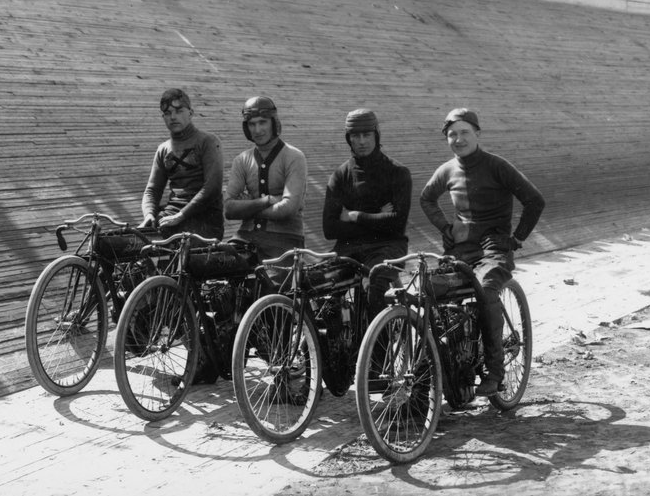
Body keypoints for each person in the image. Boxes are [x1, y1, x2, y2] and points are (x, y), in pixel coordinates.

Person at [420, 107, 545, 396]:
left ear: (478, 133)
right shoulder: (447, 170)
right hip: (459, 251)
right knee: (427, 292)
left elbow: (534, 201)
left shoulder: (497, 166)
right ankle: (442, 373)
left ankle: (495, 372)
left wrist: (517, 238)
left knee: (484, 289)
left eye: (464, 132)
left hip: (494, 249)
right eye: (452, 135)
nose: (458, 139)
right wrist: (445, 227)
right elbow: (427, 198)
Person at [322, 108, 412, 321]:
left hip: (388, 247)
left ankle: (376, 353)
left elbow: (396, 224)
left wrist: (354, 216)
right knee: (319, 284)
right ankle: (327, 348)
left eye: (367, 135)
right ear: (348, 139)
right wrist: (376, 216)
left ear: (376, 135)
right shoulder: (340, 175)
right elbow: (329, 228)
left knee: (373, 282)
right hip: (348, 249)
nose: (361, 141)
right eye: (355, 136)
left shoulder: (398, 172)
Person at [224, 96, 307, 260]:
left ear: (274, 123)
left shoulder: (294, 157)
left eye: (262, 122)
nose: (257, 130)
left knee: (272, 283)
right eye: (252, 124)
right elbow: (229, 209)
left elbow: (288, 209)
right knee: (214, 269)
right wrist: (267, 200)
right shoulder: (241, 160)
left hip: (283, 241)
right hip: (244, 237)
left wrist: (247, 207)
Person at [139, 87, 225, 239]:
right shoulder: (163, 149)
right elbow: (152, 190)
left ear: (190, 113)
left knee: (172, 251)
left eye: (178, 111)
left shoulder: (208, 142)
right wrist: (149, 214)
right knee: (122, 244)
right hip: (171, 216)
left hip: (205, 218)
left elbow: (212, 188)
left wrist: (181, 215)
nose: (173, 117)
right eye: (167, 113)